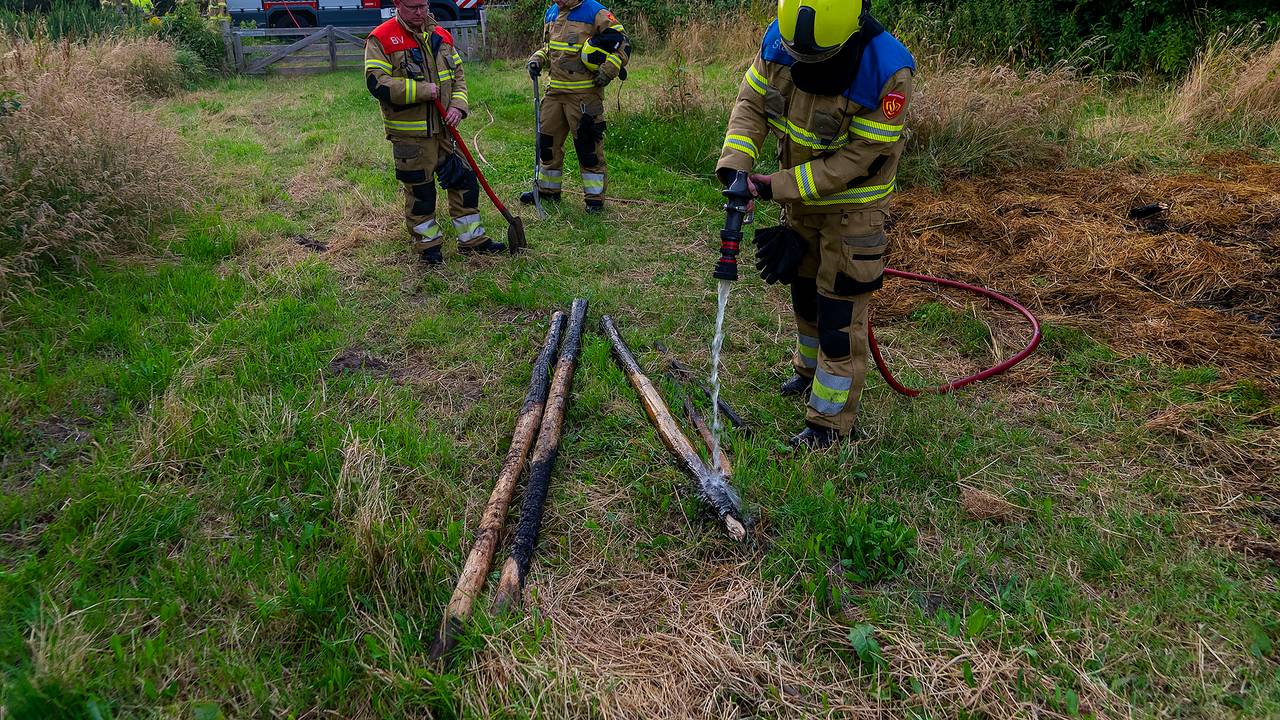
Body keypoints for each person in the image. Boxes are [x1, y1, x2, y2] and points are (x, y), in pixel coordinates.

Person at [716, 0, 915, 448]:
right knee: (804, 291)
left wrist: (776, 186)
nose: (801, 64)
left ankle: (830, 424)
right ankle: (808, 374)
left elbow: (856, 161)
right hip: (799, 203)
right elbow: (751, 104)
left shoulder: (886, 71)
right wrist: (736, 169)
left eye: (814, 60)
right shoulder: (780, 41)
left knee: (837, 317)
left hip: (853, 211)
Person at [364, 0, 505, 265]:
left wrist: (458, 106)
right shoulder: (381, 38)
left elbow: (459, 76)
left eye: (424, 5)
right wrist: (420, 91)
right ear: (397, 4)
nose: (420, 12)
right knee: (422, 193)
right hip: (411, 137)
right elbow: (377, 83)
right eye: (413, 7)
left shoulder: (441, 35)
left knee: (464, 181)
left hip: (445, 131)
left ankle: (472, 240)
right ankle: (429, 248)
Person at [520, 0, 630, 214]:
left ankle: (594, 199)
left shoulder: (596, 12)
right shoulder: (552, 13)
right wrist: (537, 58)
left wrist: (609, 69)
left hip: (584, 96)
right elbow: (550, 49)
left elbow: (623, 43)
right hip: (554, 93)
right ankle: (547, 191)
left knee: (588, 148)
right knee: (547, 144)